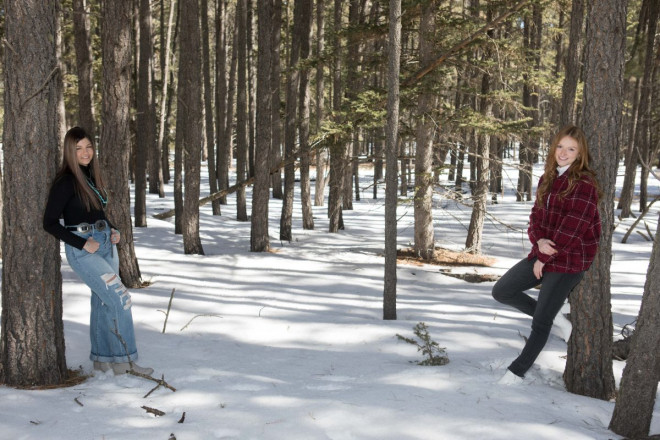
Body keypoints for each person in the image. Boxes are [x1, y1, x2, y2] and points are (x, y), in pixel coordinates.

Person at [492, 125, 601, 384]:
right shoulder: (548, 178)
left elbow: (574, 228)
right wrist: (538, 241)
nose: (563, 153)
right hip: (544, 251)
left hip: (571, 259)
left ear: (580, 154)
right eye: (560, 146)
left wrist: (544, 257)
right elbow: (535, 216)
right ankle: (556, 318)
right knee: (502, 291)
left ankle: (516, 373)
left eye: (571, 149)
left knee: (540, 324)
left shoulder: (584, 183)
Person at [43, 126, 153, 376]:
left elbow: (97, 213)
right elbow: (48, 223)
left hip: (105, 243)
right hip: (85, 250)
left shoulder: (89, 177)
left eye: (88, 147)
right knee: (121, 299)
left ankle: (104, 360)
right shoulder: (65, 182)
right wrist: (82, 243)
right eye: (78, 148)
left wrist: (113, 229)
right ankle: (126, 363)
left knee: (103, 302)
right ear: (70, 152)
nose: (85, 152)